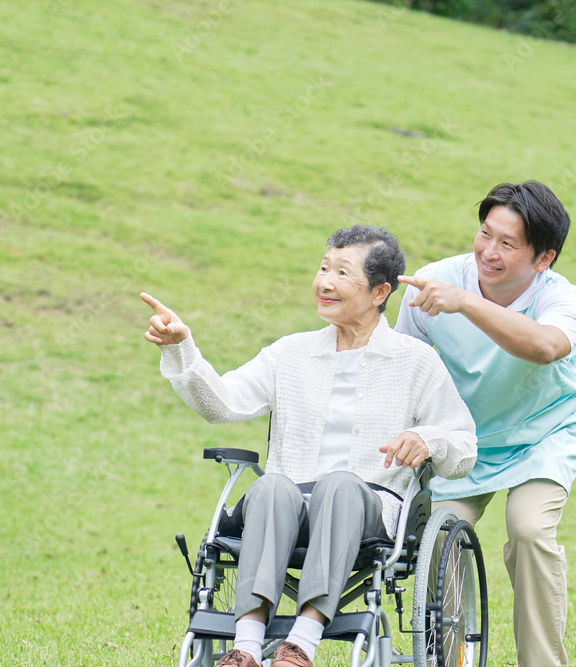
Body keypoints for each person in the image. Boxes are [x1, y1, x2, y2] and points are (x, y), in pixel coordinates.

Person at [142, 225, 476, 667]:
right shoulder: (290, 354)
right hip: (285, 508)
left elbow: (463, 445)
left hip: (368, 510)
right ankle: (245, 648)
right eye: (323, 268)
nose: (325, 282)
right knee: (272, 486)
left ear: (380, 291)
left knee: (339, 484)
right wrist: (183, 347)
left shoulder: (414, 362)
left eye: (342, 272)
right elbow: (222, 402)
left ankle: (301, 642)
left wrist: (426, 438)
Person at [394, 181, 576, 667]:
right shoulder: (434, 281)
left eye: (508, 244)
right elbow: (403, 370)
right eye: (486, 234)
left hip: (543, 433)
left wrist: (466, 303)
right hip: (464, 437)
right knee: (441, 537)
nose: (490, 251)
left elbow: (545, 347)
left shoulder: (561, 298)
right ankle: (453, 658)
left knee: (527, 529)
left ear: (543, 258)